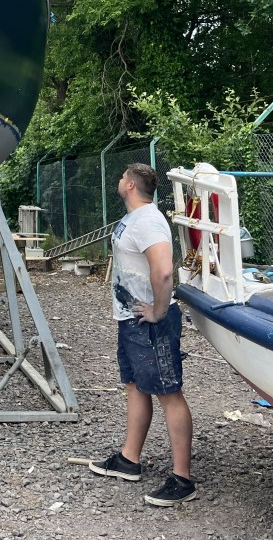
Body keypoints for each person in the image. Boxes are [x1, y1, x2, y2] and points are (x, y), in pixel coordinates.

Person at [88, 162, 195, 506]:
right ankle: (129, 460)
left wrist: (159, 312)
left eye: (122, 177)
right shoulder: (134, 219)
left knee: (169, 393)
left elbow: (163, 272)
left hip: (151, 323)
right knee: (135, 386)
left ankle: (183, 479)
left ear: (131, 185)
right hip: (131, 319)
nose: (119, 180)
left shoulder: (148, 220)